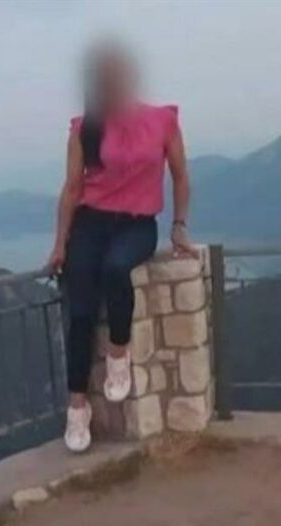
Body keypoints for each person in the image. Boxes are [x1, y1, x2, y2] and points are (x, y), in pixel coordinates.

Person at [47, 40, 197, 453]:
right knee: (80, 311)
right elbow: (72, 188)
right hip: (90, 223)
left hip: (137, 225)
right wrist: (60, 243)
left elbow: (180, 176)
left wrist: (179, 227)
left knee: (116, 269)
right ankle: (77, 407)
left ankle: (118, 352)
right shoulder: (85, 128)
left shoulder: (161, 121)